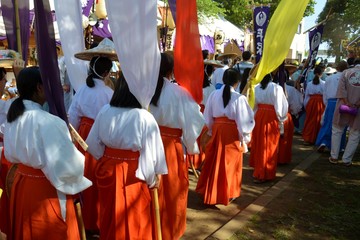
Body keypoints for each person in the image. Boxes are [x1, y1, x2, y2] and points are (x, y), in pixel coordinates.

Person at [4, 66, 92, 240]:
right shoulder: (49, 122)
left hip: (22, 186)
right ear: (39, 87)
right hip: (45, 190)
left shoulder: (13, 117)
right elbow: (68, 167)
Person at [86, 73, 167, 239]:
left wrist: (107, 157)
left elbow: (92, 145)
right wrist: (152, 179)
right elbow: (151, 153)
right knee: (134, 217)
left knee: (110, 215)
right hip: (133, 173)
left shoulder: (105, 111)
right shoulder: (144, 117)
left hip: (108, 169)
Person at [149, 52, 204, 240]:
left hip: (147, 145)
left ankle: (149, 229)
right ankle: (168, 229)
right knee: (171, 188)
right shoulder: (179, 92)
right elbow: (194, 121)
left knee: (148, 187)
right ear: (173, 70)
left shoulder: (144, 90)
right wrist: (191, 144)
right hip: (169, 147)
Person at [68, 55, 113, 235]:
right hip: (102, 135)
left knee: (84, 174)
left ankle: (85, 219)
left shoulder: (82, 91)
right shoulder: (109, 94)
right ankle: (97, 220)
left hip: (83, 134)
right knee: (98, 176)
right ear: (106, 72)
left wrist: (73, 141)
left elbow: (72, 117)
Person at [196, 68, 255, 205]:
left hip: (217, 130)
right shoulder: (239, 98)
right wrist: (245, 139)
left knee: (214, 161)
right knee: (230, 164)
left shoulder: (214, 95)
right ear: (238, 82)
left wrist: (211, 132)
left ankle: (211, 192)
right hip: (231, 133)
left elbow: (208, 117)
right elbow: (244, 121)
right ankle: (227, 193)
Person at [249, 74, 288, 183]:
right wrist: (281, 121)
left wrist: (253, 118)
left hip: (260, 116)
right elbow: (280, 107)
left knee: (260, 144)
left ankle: (259, 170)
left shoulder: (256, 88)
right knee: (269, 145)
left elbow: (254, 105)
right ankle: (265, 172)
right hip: (271, 117)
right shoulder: (276, 88)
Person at [329, 59, 360, 166]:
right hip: (358, 108)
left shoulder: (346, 72)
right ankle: (347, 159)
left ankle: (334, 157)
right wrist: (356, 104)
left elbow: (341, 89)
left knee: (337, 130)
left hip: (343, 105)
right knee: (355, 133)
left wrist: (347, 102)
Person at [316, 61, 348, 152]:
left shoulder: (329, 78)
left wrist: (326, 103)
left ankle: (324, 141)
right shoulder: (347, 78)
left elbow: (325, 93)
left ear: (337, 68)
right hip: (342, 102)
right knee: (341, 124)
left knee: (328, 122)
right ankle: (340, 146)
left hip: (331, 102)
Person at [302, 66, 325, 144]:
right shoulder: (323, 83)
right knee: (318, 120)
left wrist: (306, 105)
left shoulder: (309, 84)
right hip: (320, 102)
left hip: (311, 102)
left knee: (309, 120)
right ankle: (316, 138)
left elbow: (306, 95)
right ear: (321, 74)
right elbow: (325, 95)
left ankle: (307, 138)